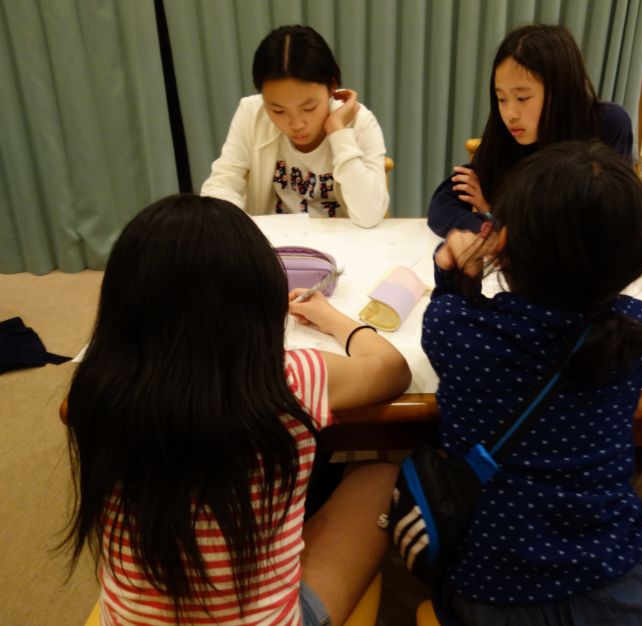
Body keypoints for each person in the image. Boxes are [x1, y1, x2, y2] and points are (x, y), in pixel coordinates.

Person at [62, 194, 410, 625]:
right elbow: (392, 369)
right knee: (382, 476)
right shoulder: (287, 379)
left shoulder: (96, 388)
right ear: (258, 299)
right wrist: (331, 317)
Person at [422, 141, 642, 625]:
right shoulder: (631, 331)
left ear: (502, 243)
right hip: (617, 588)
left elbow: (445, 314)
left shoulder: (457, 328)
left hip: (492, 593)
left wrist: (454, 274)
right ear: (634, 264)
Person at [427, 24, 633, 237]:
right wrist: (493, 229)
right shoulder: (506, 136)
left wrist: (491, 213)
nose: (510, 114)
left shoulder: (607, 124)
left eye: (522, 98)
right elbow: (441, 209)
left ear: (561, 90)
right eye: (501, 99)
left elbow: (597, 224)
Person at [202, 25, 388, 228]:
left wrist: (338, 130)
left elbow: (370, 215)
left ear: (332, 86)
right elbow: (223, 183)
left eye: (309, 108)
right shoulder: (252, 113)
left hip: (343, 242)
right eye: (278, 110)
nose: (296, 124)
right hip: (273, 241)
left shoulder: (359, 122)